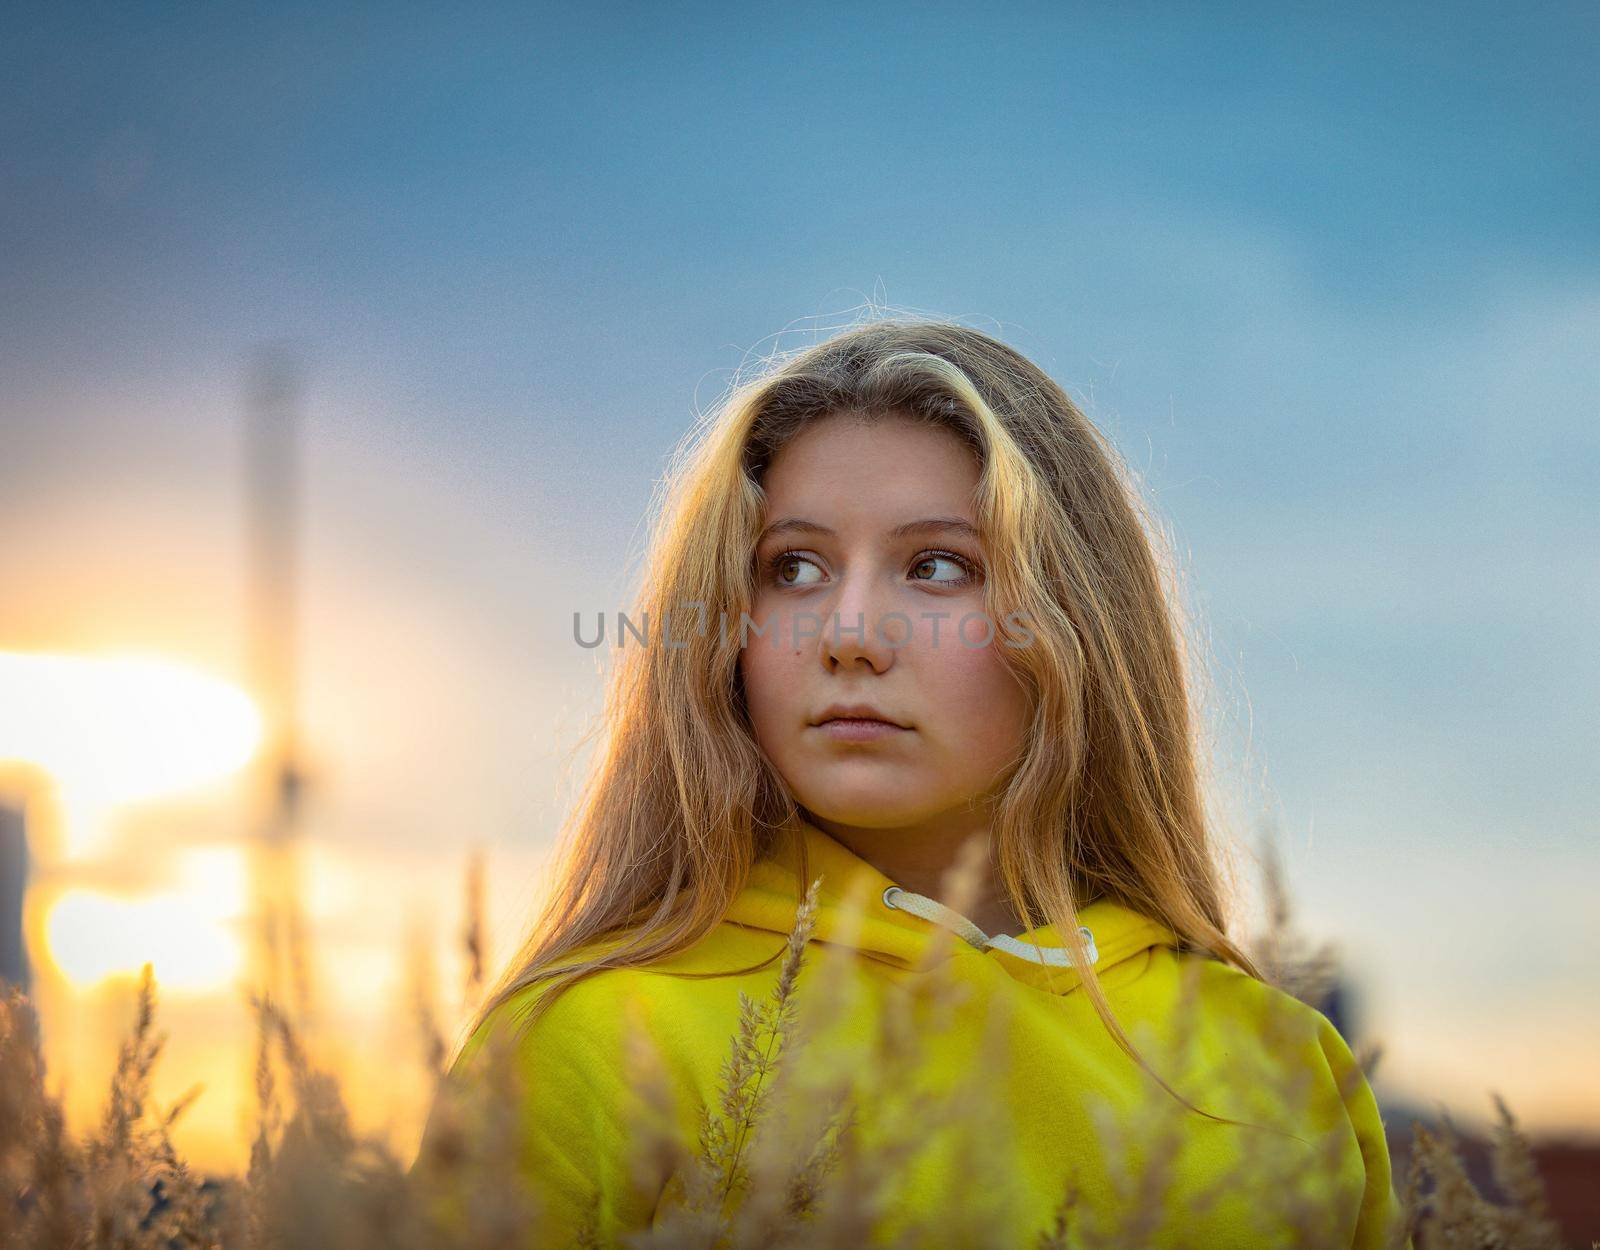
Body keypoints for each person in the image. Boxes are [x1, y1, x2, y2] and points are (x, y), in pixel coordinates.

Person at [409, 319, 1408, 1249]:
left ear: (1081, 622)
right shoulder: (587, 1040)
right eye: (792, 567)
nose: (847, 632)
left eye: (935, 565)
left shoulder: (1276, 1066)